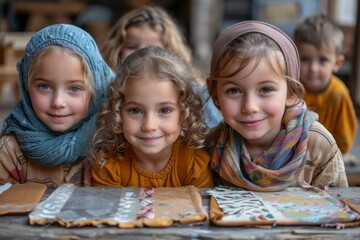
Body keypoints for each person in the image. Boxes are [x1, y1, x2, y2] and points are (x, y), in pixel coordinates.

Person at [206, 20, 348, 191]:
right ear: (215, 94)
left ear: (291, 93)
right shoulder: (210, 147)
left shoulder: (317, 146)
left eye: (266, 89)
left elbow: (341, 207)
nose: (250, 107)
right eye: (234, 90)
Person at [0, 24, 115, 187]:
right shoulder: (10, 150)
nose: (58, 102)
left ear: (95, 90)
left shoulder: (107, 142)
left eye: (75, 88)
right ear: (26, 87)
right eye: (44, 86)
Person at [90, 46, 214, 188]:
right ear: (118, 112)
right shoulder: (108, 165)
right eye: (135, 110)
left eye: (165, 110)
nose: (149, 125)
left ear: (185, 113)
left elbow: (201, 209)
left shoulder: (194, 164)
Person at [100, 5, 222, 128]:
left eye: (152, 47)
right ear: (118, 49)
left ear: (170, 51)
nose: (141, 53)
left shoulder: (189, 89)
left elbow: (211, 128)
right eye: (132, 46)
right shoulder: (106, 89)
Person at [293, 14, 357, 158]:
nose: (313, 68)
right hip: (295, 154)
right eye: (305, 59)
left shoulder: (339, 94)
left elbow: (344, 139)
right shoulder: (293, 90)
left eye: (322, 60)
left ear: (337, 63)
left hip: (329, 156)